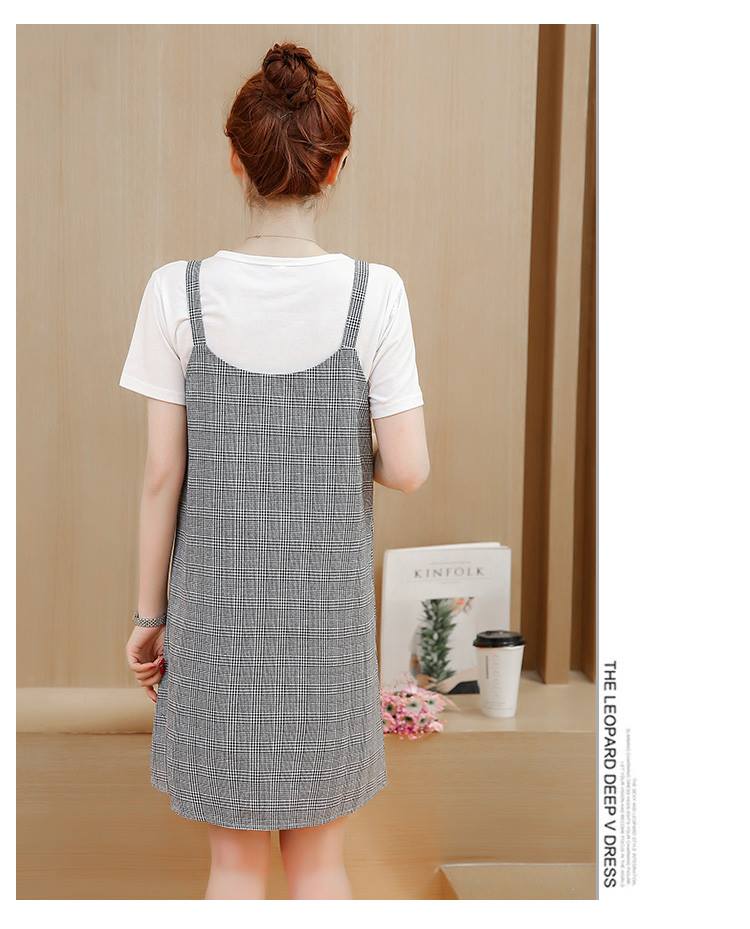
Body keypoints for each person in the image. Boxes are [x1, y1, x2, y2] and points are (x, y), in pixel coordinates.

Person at [118, 42, 430, 900]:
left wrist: (149, 618)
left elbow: (161, 473)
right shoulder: (377, 293)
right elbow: (408, 468)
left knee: (233, 864)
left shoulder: (175, 292)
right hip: (327, 627)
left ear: (236, 158)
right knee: (321, 864)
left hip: (215, 622)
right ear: (335, 167)